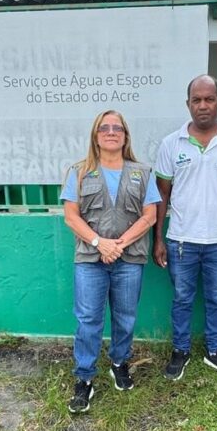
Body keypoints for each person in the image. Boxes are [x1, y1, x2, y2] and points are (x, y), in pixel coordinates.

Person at [60, 110, 160, 413]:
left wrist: (118, 245)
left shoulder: (142, 172)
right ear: (96, 135)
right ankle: (84, 378)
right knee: (88, 319)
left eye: (118, 128)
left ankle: (119, 362)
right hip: (90, 259)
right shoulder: (79, 172)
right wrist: (99, 243)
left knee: (125, 317)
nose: (111, 132)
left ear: (126, 136)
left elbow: (150, 216)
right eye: (104, 128)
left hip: (129, 258)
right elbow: (71, 216)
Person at [154, 74, 217, 380]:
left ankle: (215, 351)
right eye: (196, 100)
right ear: (188, 104)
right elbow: (162, 195)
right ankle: (180, 350)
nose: (203, 105)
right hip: (181, 239)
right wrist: (158, 239)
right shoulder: (171, 144)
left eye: (209, 99)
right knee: (182, 298)